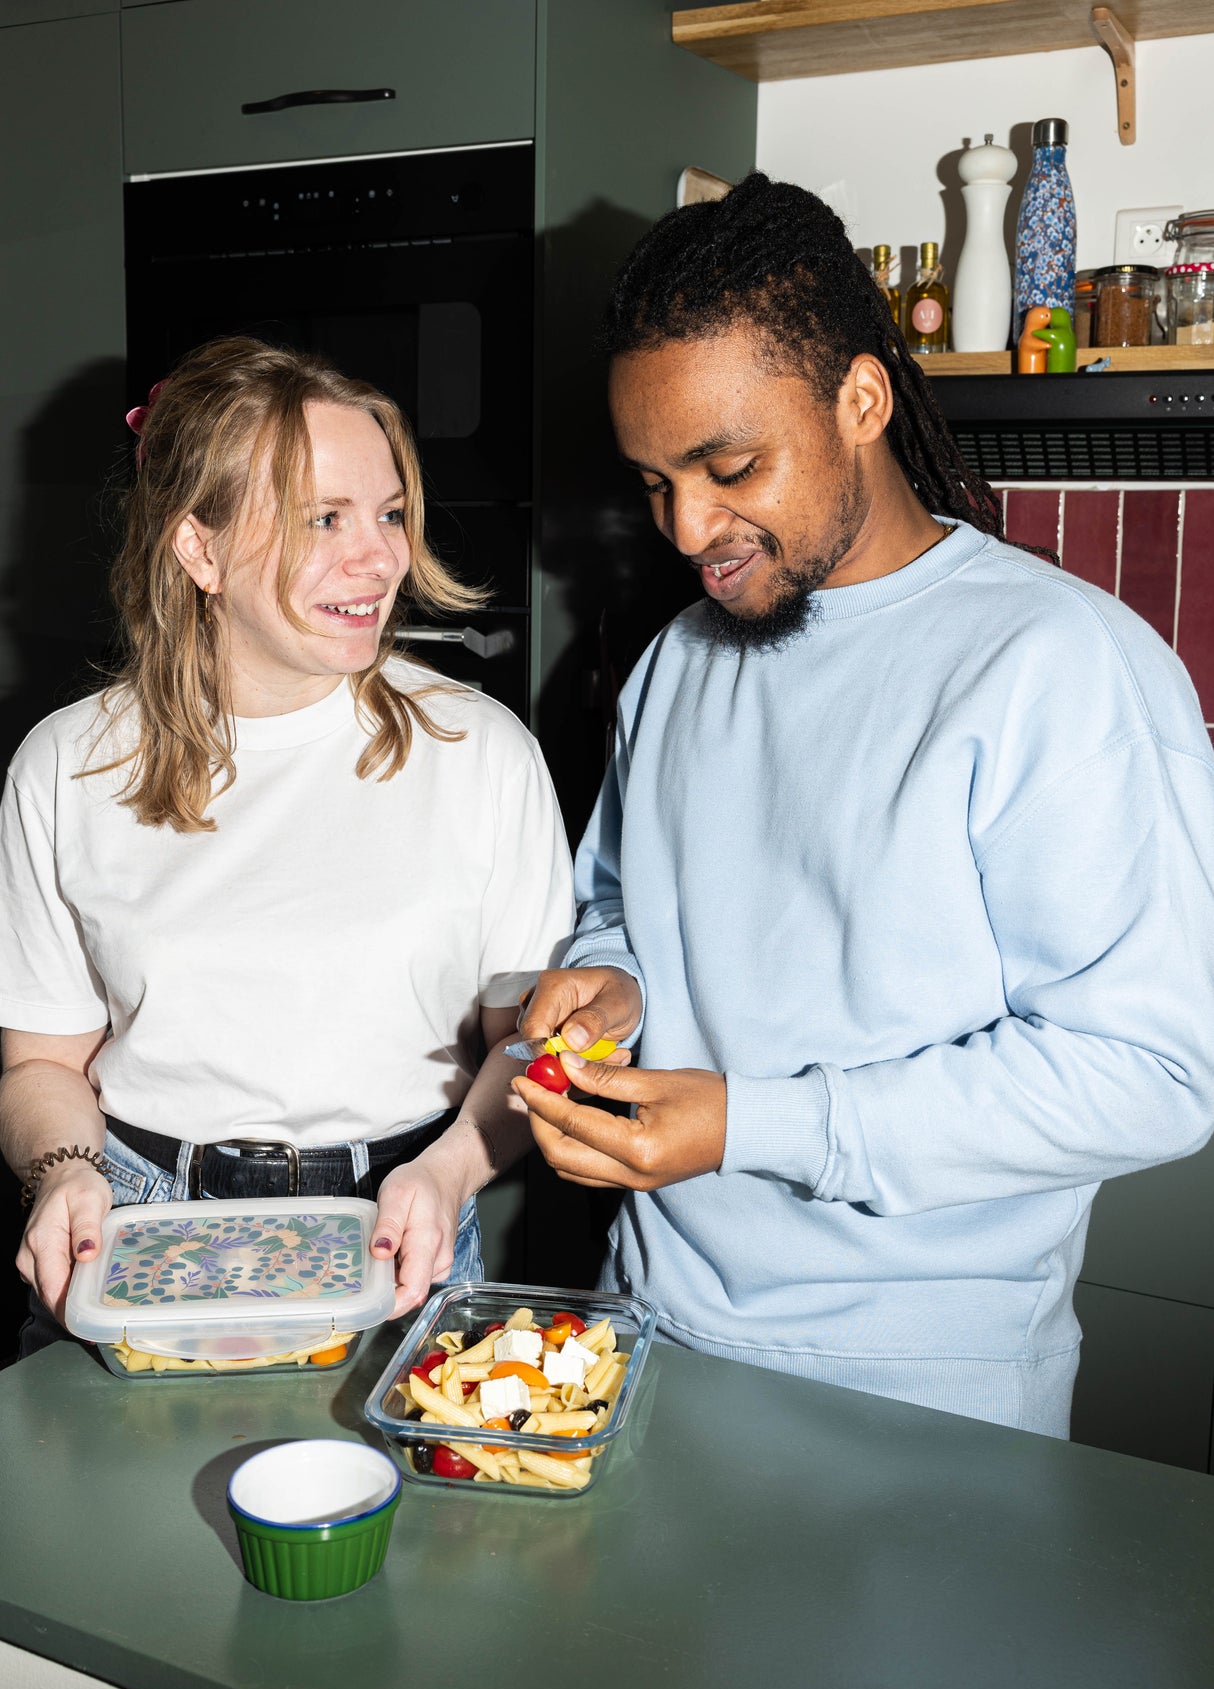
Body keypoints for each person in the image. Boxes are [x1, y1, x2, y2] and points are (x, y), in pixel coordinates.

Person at [514, 174, 1214, 1438]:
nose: (685, 526)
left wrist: (755, 1126)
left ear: (860, 397)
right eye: (653, 480)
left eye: (728, 466)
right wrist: (610, 983)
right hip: (641, 1335)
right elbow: (621, 902)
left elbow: (1149, 1071)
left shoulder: (1055, 666)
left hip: (920, 1392)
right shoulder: (679, 660)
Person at [0, 337, 574, 1351]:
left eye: (390, 512)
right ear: (200, 551)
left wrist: (443, 1176)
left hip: (399, 1231)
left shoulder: (482, 755)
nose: (381, 556)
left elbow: (527, 1049)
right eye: (325, 520)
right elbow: (43, 1062)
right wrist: (63, 1176)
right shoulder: (64, 766)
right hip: (138, 1233)